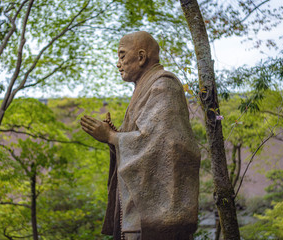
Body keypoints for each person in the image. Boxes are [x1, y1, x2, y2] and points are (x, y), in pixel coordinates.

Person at [80, 31, 200, 240]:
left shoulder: (164, 86)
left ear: (142, 57)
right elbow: (144, 138)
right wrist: (116, 136)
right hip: (136, 218)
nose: (118, 63)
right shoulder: (145, 88)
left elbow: (159, 144)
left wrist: (111, 137)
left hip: (153, 223)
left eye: (122, 55)